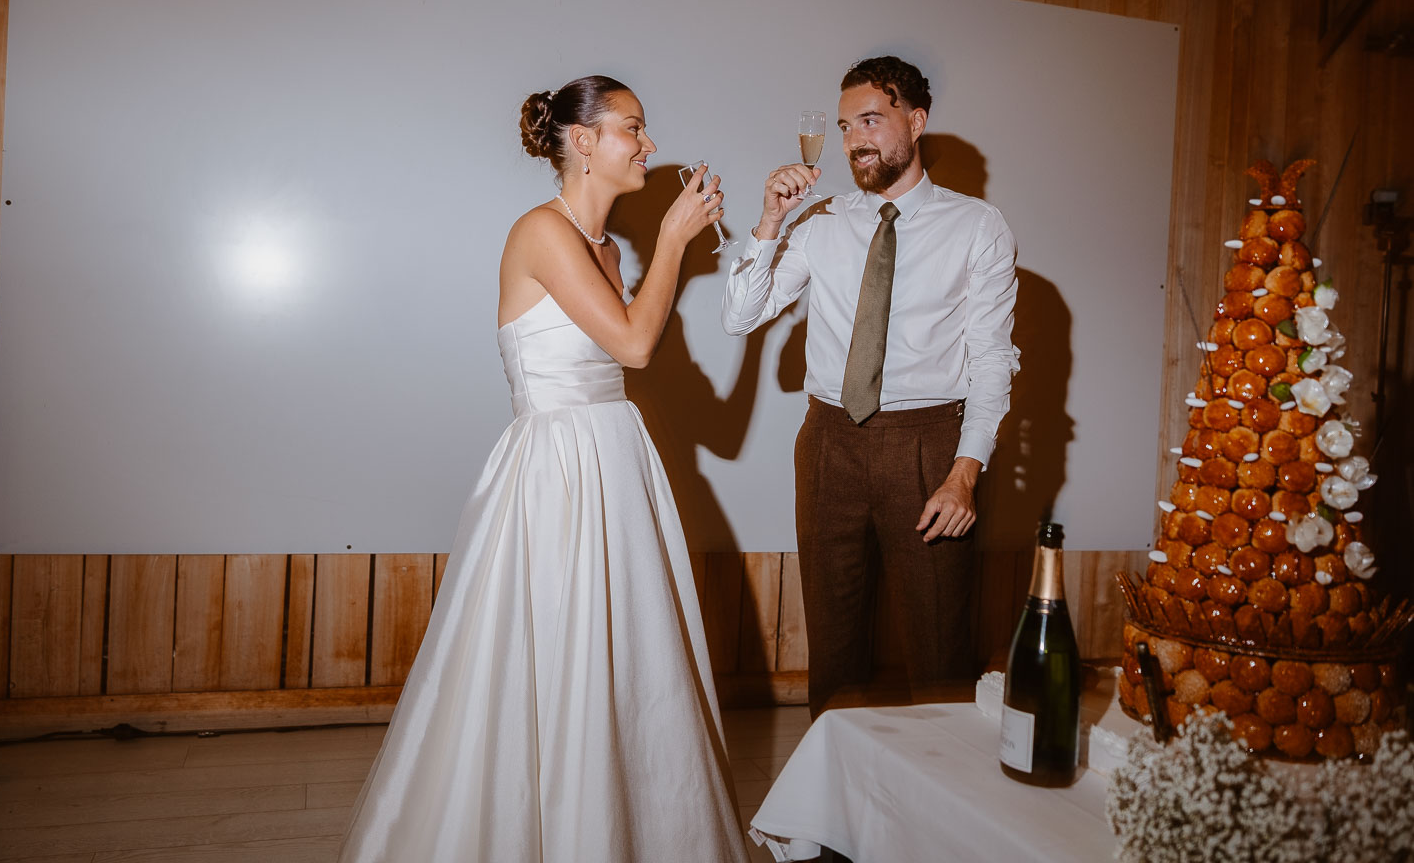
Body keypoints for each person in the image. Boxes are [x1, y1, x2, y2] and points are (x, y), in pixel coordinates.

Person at [338, 75, 750, 862]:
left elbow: (632, 357)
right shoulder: (543, 232)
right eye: (634, 127)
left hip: (615, 465)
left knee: (625, 665)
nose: (650, 144)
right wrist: (673, 242)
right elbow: (634, 345)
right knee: (555, 660)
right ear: (585, 142)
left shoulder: (604, 248)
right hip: (557, 475)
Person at [722, 56, 1019, 719]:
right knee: (834, 650)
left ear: (915, 122)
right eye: (845, 125)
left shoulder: (977, 227)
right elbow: (741, 315)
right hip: (828, 443)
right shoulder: (821, 221)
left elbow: (992, 360)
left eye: (871, 120)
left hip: (930, 445)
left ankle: (938, 811)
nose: (856, 138)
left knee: (940, 651)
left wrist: (965, 471)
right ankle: (833, 810)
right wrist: (769, 221)